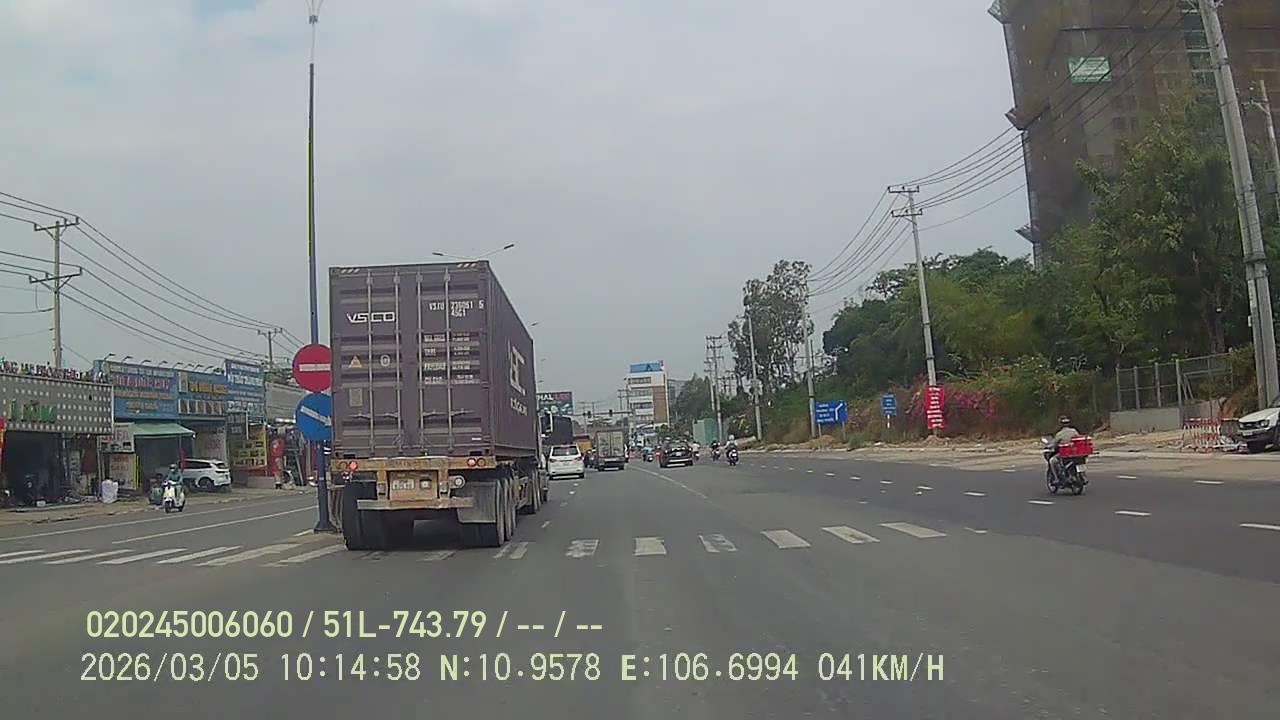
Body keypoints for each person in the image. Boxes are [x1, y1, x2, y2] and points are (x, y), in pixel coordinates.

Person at [1047, 416, 1080, 483]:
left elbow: (1054, 444)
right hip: (1074, 452)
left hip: (1065, 453)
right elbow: (1079, 439)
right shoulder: (1074, 431)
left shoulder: (1060, 434)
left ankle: (1056, 479)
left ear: (1061, 424)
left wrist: (1049, 446)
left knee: (1052, 461)